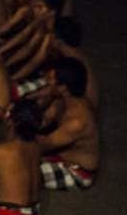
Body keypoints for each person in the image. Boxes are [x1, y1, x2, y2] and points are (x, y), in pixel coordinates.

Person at [37, 58, 99, 190]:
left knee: (16, 170)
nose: (48, 82)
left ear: (63, 87)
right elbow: (45, 120)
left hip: (76, 172)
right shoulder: (65, 99)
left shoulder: (77, 120)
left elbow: (42, 147)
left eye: (51, 80)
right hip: (59, 156)